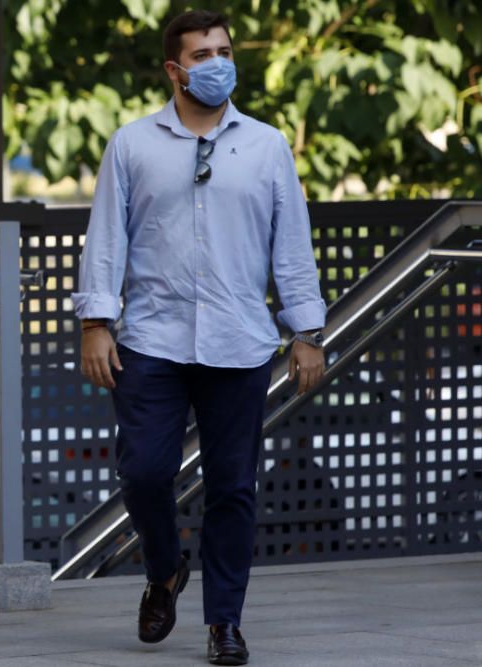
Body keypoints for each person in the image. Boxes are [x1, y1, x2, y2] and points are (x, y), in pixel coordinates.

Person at [72, 10, 326, 666]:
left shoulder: (267, 146)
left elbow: (290, 244)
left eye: (224, 50)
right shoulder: (132, 144)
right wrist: (95, 322)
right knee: (145, 471)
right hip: (151, 339)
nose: (217, 63)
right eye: (203, 53)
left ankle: (224, 623)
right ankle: (164, 568)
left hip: (239, 341)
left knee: (234, 486)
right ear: (174, 69)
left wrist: (307, 331)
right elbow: (106, 238)